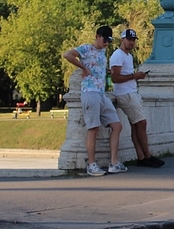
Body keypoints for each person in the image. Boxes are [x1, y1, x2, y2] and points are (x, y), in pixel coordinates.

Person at [63, 26, 127, 176]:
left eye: (109, 41)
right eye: (104, 40)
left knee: (116, 126)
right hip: (90, 92)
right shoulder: (86, 49)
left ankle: (114, 162)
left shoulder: (104, 52)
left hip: (101, 93)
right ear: (97, 36)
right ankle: (91, 165)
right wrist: (83, 68)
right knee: (93, 129)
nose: (106, 43)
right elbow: (68, 55)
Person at [109, 29, 165, 168]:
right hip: (125, 94)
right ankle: (148, 155)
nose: (132, 42)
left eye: (133, 39)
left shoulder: (128, 56)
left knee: (136, 125)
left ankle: (141, 157)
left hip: (131, 92)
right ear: (122, 39)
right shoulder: (118, 55)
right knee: (141, 123)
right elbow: (115, 78)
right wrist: (134, 76)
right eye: (129, 39)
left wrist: (135, 76)